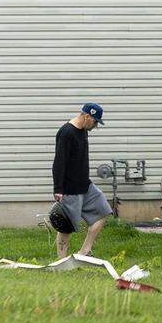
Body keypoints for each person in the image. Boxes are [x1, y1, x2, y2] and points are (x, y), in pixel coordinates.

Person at [52, 102, 113, 259]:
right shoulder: (66, 133)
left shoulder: (83, 131)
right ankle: (61, 261)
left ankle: (84, 251)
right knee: (65, 226)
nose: (95, 126)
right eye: (95, 122)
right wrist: (58, 188)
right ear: (87, 116)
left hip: (85, 185)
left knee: (104, 211)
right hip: (70, 188)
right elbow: (59, 162)